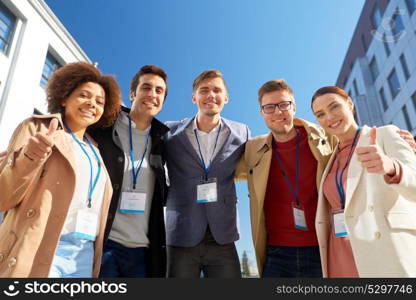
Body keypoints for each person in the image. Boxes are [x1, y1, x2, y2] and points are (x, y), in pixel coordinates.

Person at [0, 62, 121, 277]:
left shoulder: (96, 151)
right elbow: (4, 197)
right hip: (42, 247)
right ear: (64, 98)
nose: (92, 104)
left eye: (99, 101)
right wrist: (30, 156)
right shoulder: (36, 128)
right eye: (84, 95)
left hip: (84, 254)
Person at [311, 86, 416, 277]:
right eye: (320, 114)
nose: (329, 117)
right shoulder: (329, 159)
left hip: (381, 249)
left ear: (350, 104)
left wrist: (392, 167)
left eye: (334, 107)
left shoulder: (386, 134)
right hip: (338, 251)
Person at [236, 79, 335, 277]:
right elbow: (219, 169)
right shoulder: (252, 149)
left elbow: (355, 142)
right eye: (269, 107)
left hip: (323, 248)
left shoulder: (326, 138)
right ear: (262, 113)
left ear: (294, 107)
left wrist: (393, 141)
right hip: (277, 253)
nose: (278, 112)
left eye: (283, 105)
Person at [164, 70, 250, 278]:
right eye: (204, 90)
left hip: (222, 235)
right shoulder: (169, 132)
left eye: (217, 90)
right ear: (194, 98)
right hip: (181, 234)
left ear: (226, 98)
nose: (211, 95)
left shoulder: (242, 132)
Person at [89, 65, 169, 278]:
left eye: (159, 91)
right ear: (133, 93)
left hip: (141, 253)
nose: (152, 94)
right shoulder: (104, 126)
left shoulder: (164, 143)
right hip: (103, 244)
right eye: (146, 87)